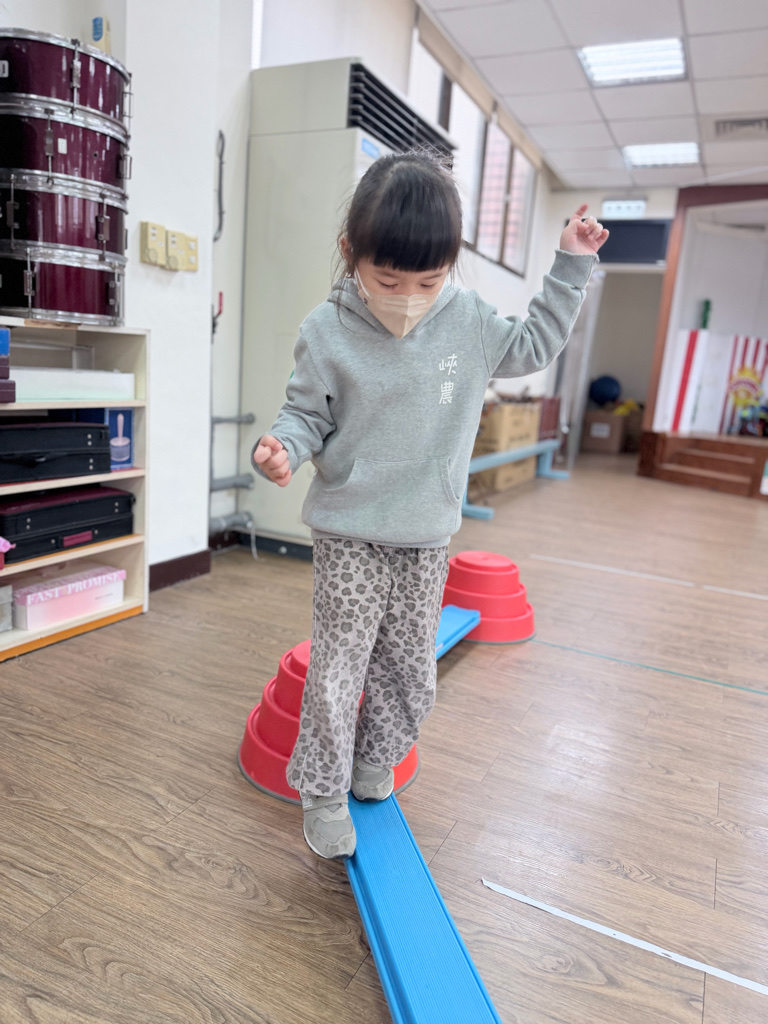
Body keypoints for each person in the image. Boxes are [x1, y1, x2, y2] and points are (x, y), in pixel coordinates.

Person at [252, 150, 608, 859]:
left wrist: (571, 265)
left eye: (429, 279)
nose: (408, 296)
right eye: (388, 279)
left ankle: (374, 759)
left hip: (425, 533)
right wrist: (283, 446)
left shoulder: (468, 321)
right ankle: (322, 790)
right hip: (350, 529)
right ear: (351, 253)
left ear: (450, 266)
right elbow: (306, 414)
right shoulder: (326, 330)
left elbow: (535, 343)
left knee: (410, 669)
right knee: (339, 666)